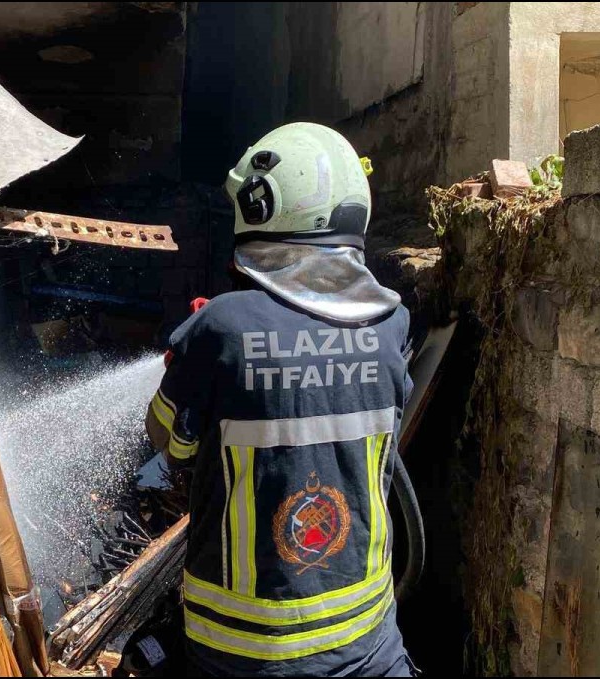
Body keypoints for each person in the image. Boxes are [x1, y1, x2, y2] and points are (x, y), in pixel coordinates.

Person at [145, 122, 417, 676]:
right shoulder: (392, 324)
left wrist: (196, 362)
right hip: (368, 643)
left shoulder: (220, 326)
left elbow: (171, 446)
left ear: (262, 206)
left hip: (240, 652)